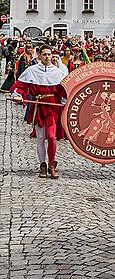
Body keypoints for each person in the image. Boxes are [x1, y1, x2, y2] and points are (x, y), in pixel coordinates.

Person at [10, 45, 67, 179]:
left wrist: (65, 100)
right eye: (44, 54)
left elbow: (62, 91)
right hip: (38, 106)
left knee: (52, 137)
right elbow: (20, 87)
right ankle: (43, 165)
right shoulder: (32, 71)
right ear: (39, 56)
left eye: (49, 54)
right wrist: (18, 95)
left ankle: (52, 164)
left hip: (52, 107)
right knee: (41, 138)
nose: (47, 57)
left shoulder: (58, 72)